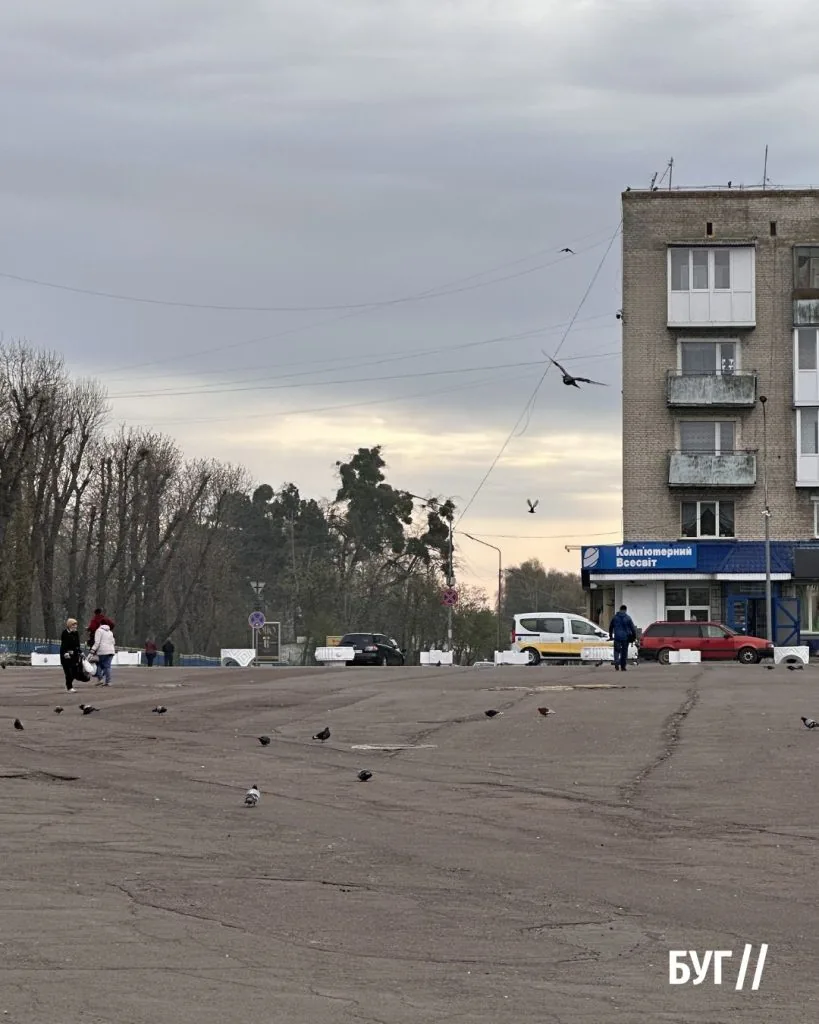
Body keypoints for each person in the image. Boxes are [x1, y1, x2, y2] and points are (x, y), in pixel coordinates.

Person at [609, 604, 637, 672]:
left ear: (620, 609)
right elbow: (632, 628)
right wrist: (634, 636)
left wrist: (610, 635)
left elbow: (611, 627)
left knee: (616, 650)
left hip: (617, 637)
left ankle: (616, 662)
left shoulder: (615, 617)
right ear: (625, 610)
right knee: (624, 652)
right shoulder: (628, 618)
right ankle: (623, 666)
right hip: (625, 637)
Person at [90, 621, 116, 686]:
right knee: (107, 667)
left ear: (100, 624)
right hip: (111, 651)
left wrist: (93, 650)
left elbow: (97, 642)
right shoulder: (110, 632)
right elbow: (113, 642)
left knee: (98, 665)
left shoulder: (99, 630)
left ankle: (100, 679)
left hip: (102, 651)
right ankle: (108, 681)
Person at [59, 618, 82, 692]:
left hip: (74, 655)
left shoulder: (76, 633)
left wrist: (80, 652)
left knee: (74, 672)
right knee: (68, 672)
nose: (75, 626)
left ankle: (69, 685)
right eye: (73, 625)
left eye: (76, 625)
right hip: (66, 655)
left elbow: (77, 645)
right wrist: (65, 653)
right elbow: (63, 645)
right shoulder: (65, 633)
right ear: (69, 625)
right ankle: (69, 687)